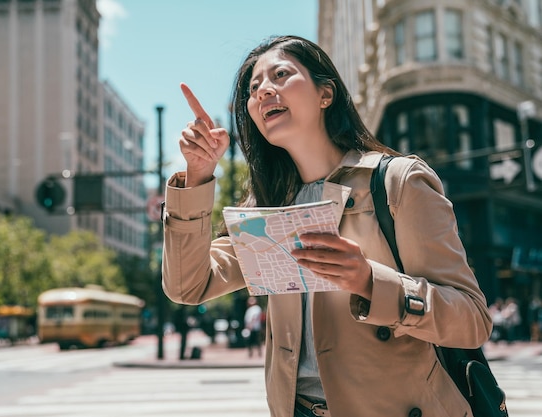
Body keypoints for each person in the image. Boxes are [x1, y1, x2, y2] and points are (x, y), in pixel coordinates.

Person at [161, 35, 492, 416]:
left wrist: (369, 282)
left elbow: (472, 321)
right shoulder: (266, 208)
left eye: (281, 74)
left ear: (325, 94)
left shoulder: (397, 182)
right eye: (253, 88)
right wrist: (198, 176)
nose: (264, 90)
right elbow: (188, 285)